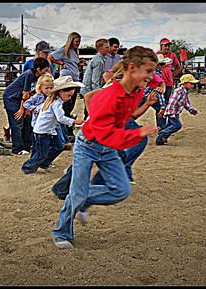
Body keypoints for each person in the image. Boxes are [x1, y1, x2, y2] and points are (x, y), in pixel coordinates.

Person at [51, 46, 160, 250]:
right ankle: (61, 232)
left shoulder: (137, 92)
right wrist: (136, 134)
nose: (152, 76)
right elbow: (103, 131)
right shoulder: (110, 95)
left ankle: (81, 198)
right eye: (148, 71)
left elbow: (121, 121)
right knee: (77, 193)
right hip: (88, 145)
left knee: (121, 190)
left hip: (107, 146)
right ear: (131, 68)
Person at [51, 59, 159, 195]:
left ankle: (65, 187)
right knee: (93, 157)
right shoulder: (113, 87)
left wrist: (147, 104)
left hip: (110, 130)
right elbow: (89, 96)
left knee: (97, 157)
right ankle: (65, 187)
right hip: (98, 130)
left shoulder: (129, 92)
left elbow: (132, 116)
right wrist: (94, 118)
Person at [21, 76, 84, 174]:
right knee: (41, 153)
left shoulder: (50, 100)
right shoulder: (56, 103)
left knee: (58, 147)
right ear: (61, 92)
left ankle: (44, 163)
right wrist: (74, 122)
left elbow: (40, 108)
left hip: (48, 130)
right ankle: (27, 168)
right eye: (69, 95)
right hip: (43, 131)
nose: (70, 98)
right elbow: (60, 118)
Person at [2, 58, 51, 155]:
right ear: (38, 69)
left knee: (26, 121)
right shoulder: (29, 75)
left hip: (18, 99)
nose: (46, 72)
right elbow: (25, 93)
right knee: (17, 123)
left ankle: (26, 146)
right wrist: (22, 109)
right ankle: (17, 148)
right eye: (45, 69)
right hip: (12, 98)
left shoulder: (35, 77)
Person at [48, 32, 82, 141]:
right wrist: (61, 64)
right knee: (66, 106)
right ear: (71, 41)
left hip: (74, 80)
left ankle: (67, 131)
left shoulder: (74, 52)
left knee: (70, 105)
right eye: (77, 41)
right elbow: (51, 56)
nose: (78, 43)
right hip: (67, 80)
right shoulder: (64, 50)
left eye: (79, 41)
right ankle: (65, 132)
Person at [155, 74, 199, 145]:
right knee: (177, 125)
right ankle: (162, 133)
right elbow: (172, 102)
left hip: (175, 112)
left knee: (170, 126)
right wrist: (171, 113)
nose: (193, 85)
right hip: (172, 112)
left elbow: (185, 103)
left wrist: (191, 110)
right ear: (185, 83)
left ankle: (160, 140)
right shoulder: (178, 91)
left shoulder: (184, 92)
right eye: (191, 83)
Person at [81, 38, 110, 119]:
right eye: (107, 47)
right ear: (100, 49)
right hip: (89, 90)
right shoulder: (99, 61)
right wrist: (97, 95)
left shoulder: (99, 59)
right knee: (91, 115)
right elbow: (95, 80)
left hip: (87, 90)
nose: (109, 49)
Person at [156, 38, 181, 114]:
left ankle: (166, 123)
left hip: (169, 83)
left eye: (168, 45)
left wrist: (172, 76)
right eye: (165, 45)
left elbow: (178, 67)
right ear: (161, 46)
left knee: (168, 103)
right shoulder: (157, 55)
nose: (167, 47)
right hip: (159, 83)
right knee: (159, 104)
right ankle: (161, 125)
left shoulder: (172, 55)